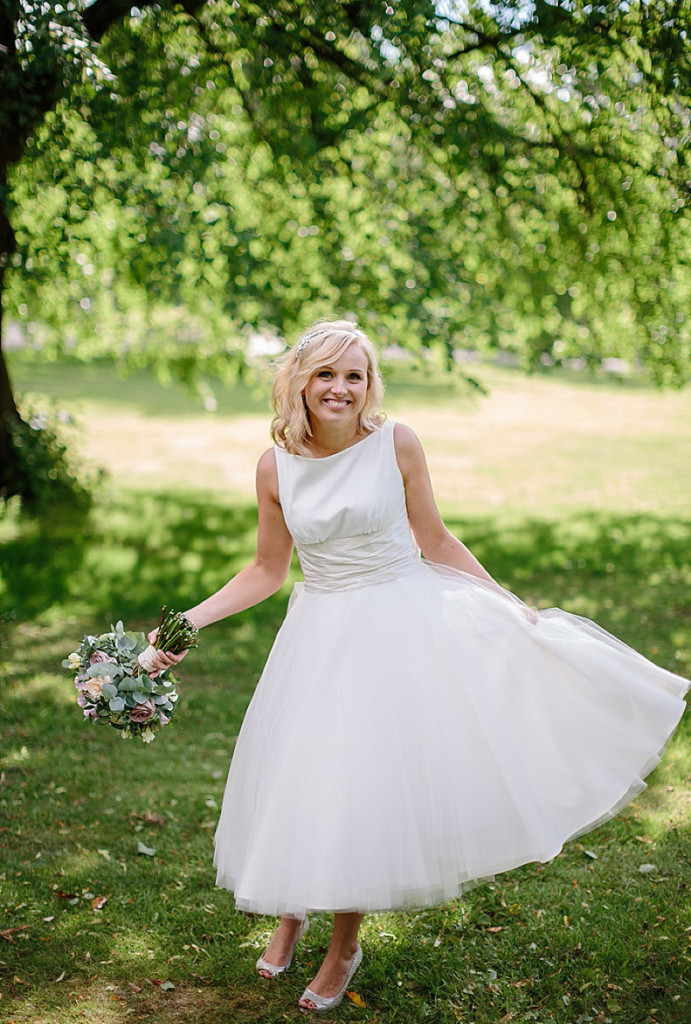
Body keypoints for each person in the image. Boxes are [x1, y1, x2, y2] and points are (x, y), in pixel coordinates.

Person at [147, 319, 688, 1014]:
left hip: (398, 623)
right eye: (326, 374)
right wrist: (185, 622)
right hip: (321, 628)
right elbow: (266, 569)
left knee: (365, 782)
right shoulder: (273, 464)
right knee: (308, 770)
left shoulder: (395, 442)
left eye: (355, 375)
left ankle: (344, 943)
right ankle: (293, 910)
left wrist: (505, 604)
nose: (341, 387)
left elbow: (433, 537)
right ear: (300, 384)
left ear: (370, 384)